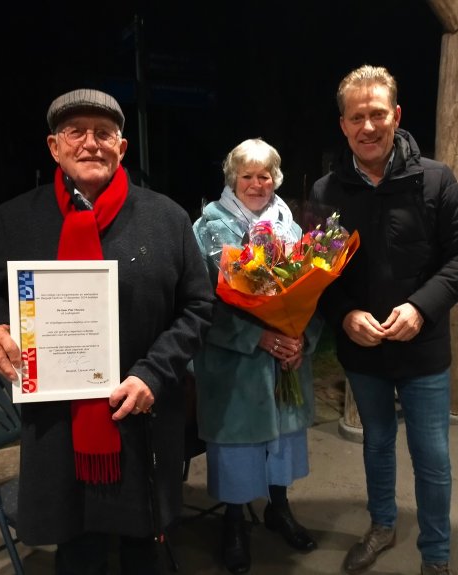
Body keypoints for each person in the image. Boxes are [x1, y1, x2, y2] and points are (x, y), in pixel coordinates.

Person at [0, 88, 214, 575]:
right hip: (57, 424)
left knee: (144, 547)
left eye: (103, 133)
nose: (90, 143)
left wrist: (153, 374)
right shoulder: (20, 217)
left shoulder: (167, 217)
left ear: (122, 149)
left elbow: (199, 306)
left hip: (140, 410)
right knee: (77, 549)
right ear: (54, 147)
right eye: (75, 132)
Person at [309, 65, 458, 575]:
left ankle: (436, 557)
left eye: (377, 114)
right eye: (357, 117)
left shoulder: (435, 179)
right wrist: (344, 315)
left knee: (431, 457)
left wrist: (422, 306)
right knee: (377, 444)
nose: (368, 126)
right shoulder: (327, 192)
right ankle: (382, 526)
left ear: (397, 116)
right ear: (343, 124)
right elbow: (317, 274)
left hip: (423, 348)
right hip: (362, 349)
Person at [192, 138, 323, 574]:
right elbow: (197, 305)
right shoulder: (207, 230)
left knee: (281, 444)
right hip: (234, 364)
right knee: (236, 448)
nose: (256, 183)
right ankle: (233, 521)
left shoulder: (292, 229)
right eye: (246, 175)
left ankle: (278, 508)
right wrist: (257, 338)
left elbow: (313, 294)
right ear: (232, 179)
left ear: (275, 179)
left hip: (284, 358)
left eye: (264, 175)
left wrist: (300, 336)